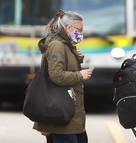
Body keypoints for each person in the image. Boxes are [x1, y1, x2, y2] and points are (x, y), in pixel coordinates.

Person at [33, 9, 93, 143]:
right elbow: (56, 75)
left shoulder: (66, 45)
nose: (81, 33)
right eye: (80, 29)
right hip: (61, 115)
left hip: (68, 115)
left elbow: (64, 67)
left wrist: (77, 58)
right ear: (69, 28)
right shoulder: (57, 45)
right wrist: (80, 75)